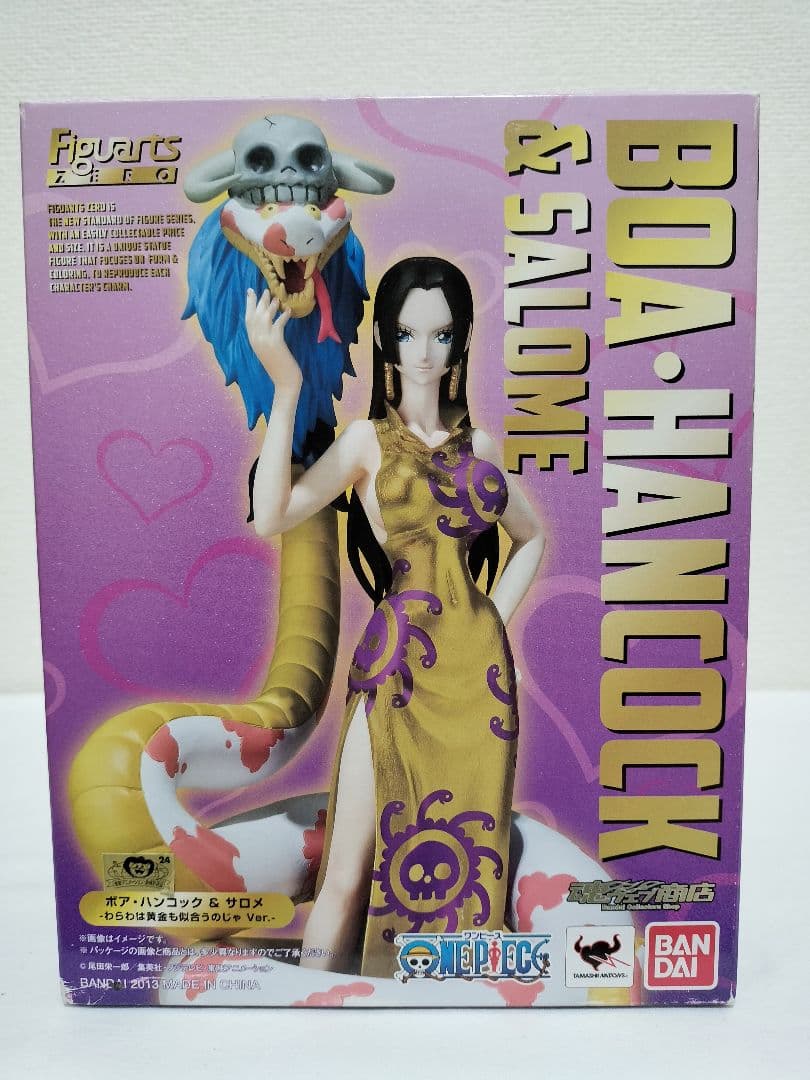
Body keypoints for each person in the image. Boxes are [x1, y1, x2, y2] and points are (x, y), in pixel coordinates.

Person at [246, 257, 545, 977]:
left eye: (441, 334)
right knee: (348, 870)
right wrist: (285, 388)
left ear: (461, 340)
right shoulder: (365, 443)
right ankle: (307, 1011)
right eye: (408, 333)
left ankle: (445, 1000)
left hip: (479, 684)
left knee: (471, 859)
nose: (424, 351)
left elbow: (531, 538)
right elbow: (271, 516)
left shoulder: (481, 450)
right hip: (397, 665)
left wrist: (490, 624)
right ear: (384, 337)